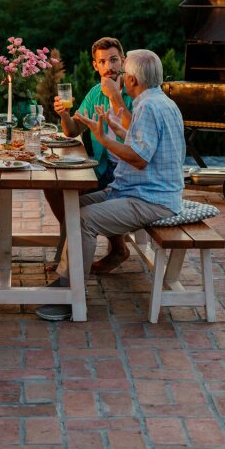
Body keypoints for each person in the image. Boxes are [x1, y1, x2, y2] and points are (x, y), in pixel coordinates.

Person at [37, 49, 184, 322]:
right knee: (73, 208)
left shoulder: (148, 107)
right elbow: (141, 141)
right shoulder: (158, 101)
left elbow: (139, 158)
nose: (122, 77)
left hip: (152, 199)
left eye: (125, 73)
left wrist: (102, 138)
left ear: (132, 80)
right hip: (136, 191)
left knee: (82, 220)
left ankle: (72, 295)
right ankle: (66, 279)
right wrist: (112, 129)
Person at [44, 37, 134, 273]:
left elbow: (138, 136)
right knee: (53, 186)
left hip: (131, 169)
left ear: (123, 61)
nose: (109, 67)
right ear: (95, 65)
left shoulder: (134, 91)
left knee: (76, 195)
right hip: (104, 166)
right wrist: (64, 114)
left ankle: (116, 248)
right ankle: (72, 245)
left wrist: (115, 95)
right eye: (102, 62)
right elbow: (73, 129)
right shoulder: (96, 92)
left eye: (114, 60)